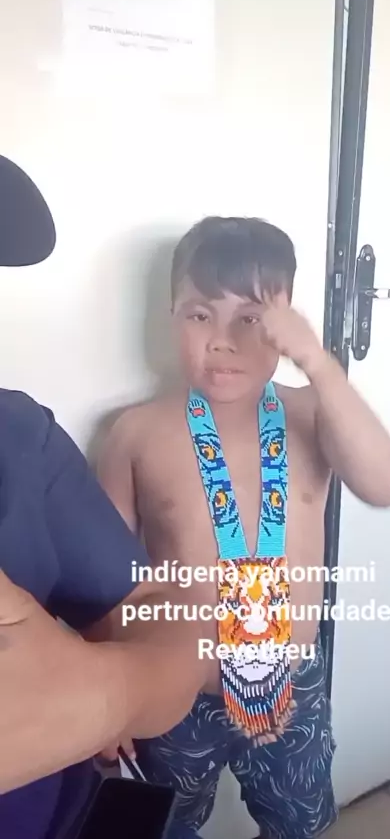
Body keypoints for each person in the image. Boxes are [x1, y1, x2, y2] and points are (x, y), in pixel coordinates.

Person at [97, 216, 390, 839]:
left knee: (300, 824)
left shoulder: (314, 413)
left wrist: (318, 363)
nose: (223, 341)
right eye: (199, 315)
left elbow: (388, 486)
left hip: (292, 688)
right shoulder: (136, 433)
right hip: (173, 689)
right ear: (170, 315)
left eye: (250, 319)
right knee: (163, 825)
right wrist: (110, 699)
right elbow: (103, 576)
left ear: (286, 323)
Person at [0, 154, 204, 839]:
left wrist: (107, 691)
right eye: (203, 315)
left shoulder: (20, 437)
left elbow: (151, 606)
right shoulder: (138, 433)